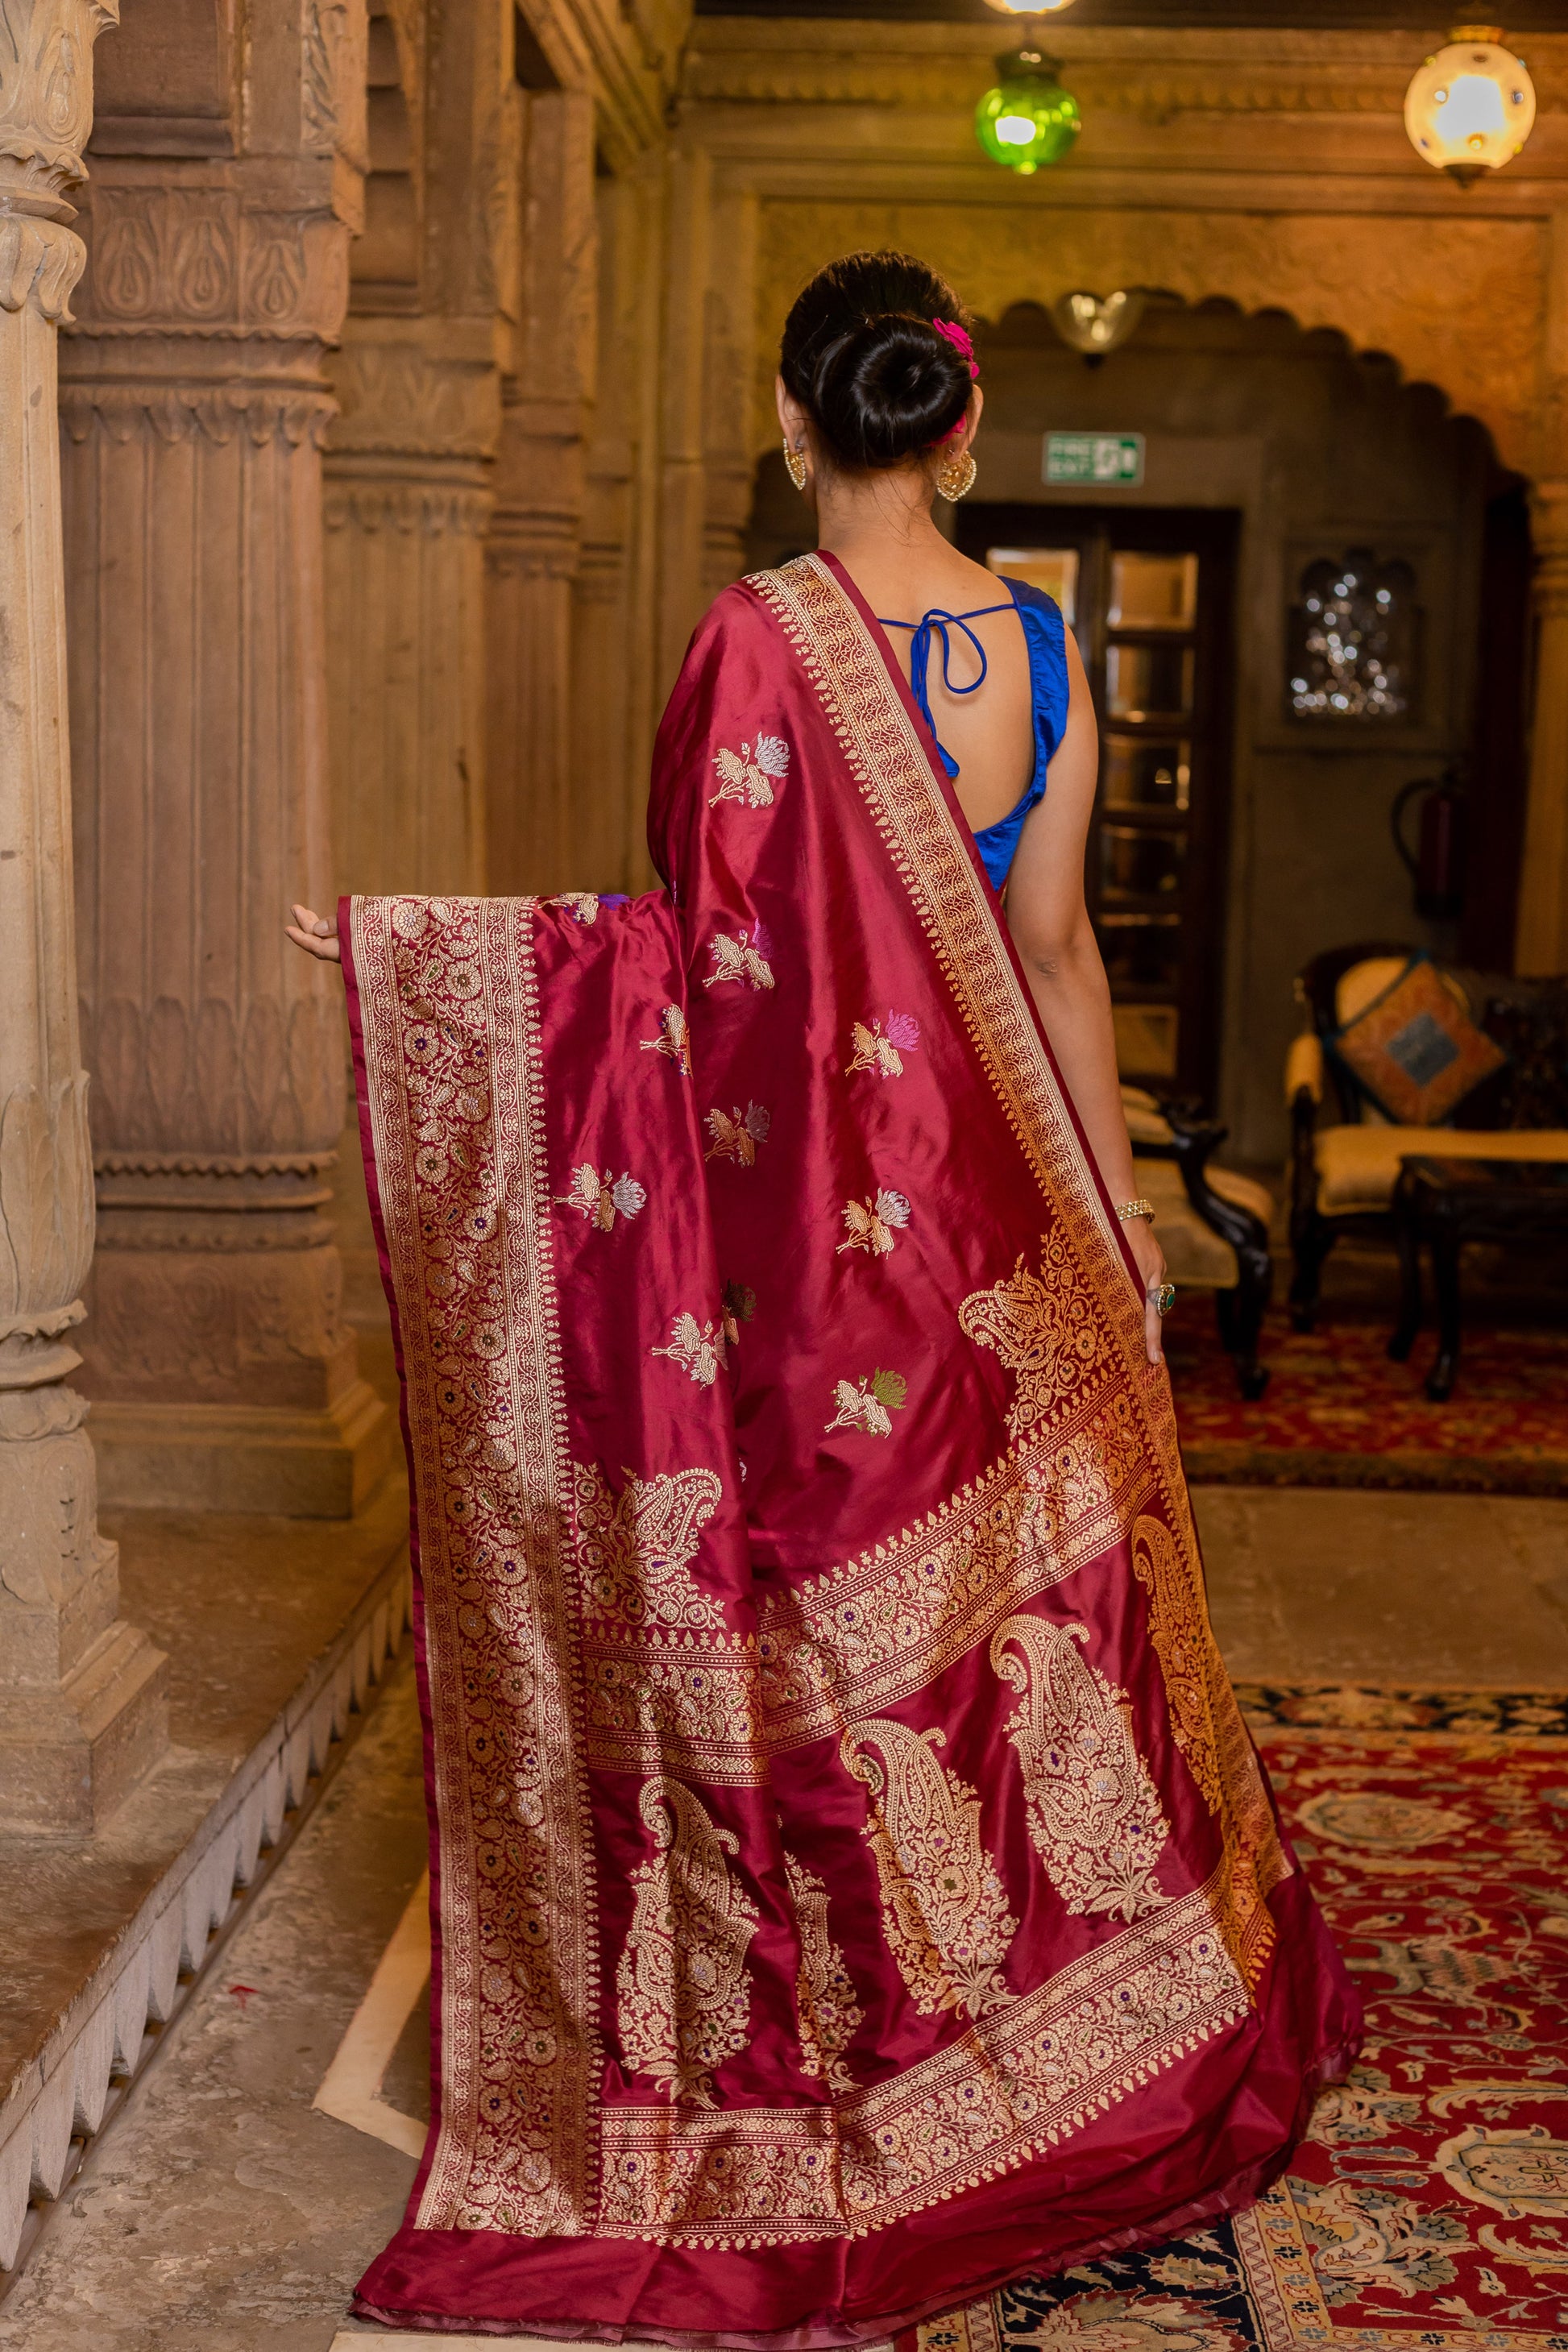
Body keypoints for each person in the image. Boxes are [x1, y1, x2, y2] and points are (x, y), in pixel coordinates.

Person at [289, 249, 1359, 2348]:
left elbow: (696, 973)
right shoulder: (1037, 645)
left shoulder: (750, 640)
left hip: (797, 1263)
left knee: (803, 1644)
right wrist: (1118, 1211)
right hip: (991, 1225)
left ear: (794, 423)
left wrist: (438, 969)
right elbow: (1053, 960)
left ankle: (841, 2066)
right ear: (961, 426)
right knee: (1035, 1637)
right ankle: (1069, 2063)